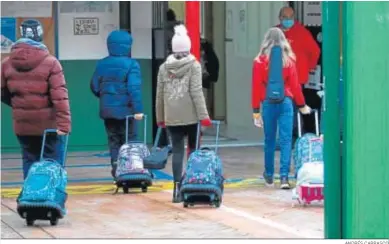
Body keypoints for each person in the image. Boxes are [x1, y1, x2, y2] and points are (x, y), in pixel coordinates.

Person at [1, 19, 71, 179]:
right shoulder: (51, 63)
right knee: (52, 162)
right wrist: (64, 125)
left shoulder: (6, 64)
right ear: (39, 36)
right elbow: (59, 97)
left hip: (23, 123)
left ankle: (29, 197)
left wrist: (19, 105)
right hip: (49, 125)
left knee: (29, 160)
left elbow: (2, 92)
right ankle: (51, 197)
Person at [156, 24, 212, 203]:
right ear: (188, 48)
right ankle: (193, 184)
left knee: (178, 151)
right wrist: (204, 116)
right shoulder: (194, 65)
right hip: (191, 116)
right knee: (193, 151)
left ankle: (176, 189)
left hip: (172, 116)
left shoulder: (164, 68)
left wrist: (160, 118)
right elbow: (196, 91)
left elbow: (160, 95)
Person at [251, 27, 311, 189]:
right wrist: (302, 104)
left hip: (268, 104)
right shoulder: (289, 61)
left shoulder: (259, 62)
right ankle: (284, 177)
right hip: (285, 103)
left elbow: (256, 87)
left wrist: (256, 111)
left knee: (269, 140)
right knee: (285, 141)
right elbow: (295, 86)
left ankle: (269, 175)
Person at [90, 30, 144, 179]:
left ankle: (116, 168)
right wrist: (137, 110)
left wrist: (105, 98)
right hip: (127, 111)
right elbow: (134, 89)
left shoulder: (102, 64)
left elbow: (94, 86)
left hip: (108, 111)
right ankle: (130, 170)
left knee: (114, 140)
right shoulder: (132, 64)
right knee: (130, 141)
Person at [277, 6, 321, 141]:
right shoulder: (275, 32)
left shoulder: (302, 32)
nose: (288, 20)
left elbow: (315, 51)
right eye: (285, 17)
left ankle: (293, 136)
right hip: (278, 78)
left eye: (291, 17)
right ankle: (286, 136)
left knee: (292, 108)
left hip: (296, 78)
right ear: (280, 18)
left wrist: (307, 67)